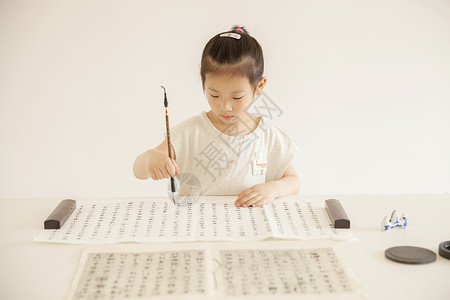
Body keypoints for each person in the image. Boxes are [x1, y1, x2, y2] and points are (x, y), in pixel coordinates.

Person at [133, 25, 300, 207]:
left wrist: (273, 189)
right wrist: (151, 158)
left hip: (249, 230)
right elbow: (138, 170)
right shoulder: (190, 132)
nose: (225, 106)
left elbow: (293, 181)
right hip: (196, 229)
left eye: (237, 97)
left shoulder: (267, 135)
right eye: (214, 95)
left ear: (259, 87)